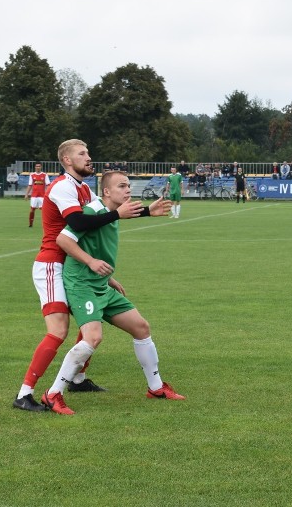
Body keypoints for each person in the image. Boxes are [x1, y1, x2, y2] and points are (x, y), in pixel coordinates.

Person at [13, 140, 165, 412]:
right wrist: (96, 257)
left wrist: (145, 212)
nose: (89, 157)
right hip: (53, 264)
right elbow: (79, 223)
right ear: (67, 160)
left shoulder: (83, 188)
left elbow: (104, 214)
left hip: (76, 266)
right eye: (82, 154)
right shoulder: (62, 186)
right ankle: (25, 394)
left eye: (88, 152)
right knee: (59, 331)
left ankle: (77, 379)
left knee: (89, 327)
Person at [42, 171, 183, 414]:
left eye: (128, 185)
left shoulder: (108, 213)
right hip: (82, 285)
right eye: (121, 186)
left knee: (141, 327)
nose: (128, 189)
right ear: (106, 192)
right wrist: (91, 262)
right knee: (93, 338)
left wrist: (149, 211)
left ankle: (156, 387)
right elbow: (63, 240)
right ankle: (53, 394)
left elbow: (107, 227)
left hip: (101, 284)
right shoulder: (91, 211)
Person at [24, 163, 50, 228]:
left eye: (39, 166)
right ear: (35, 167)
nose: (38, 167)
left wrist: (48, 194)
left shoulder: (44, 175)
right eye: (36, 166)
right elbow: (30, 185)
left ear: (41, 167)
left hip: (42, 196)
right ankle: (30, 224)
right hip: (34, 196)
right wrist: (26, 194)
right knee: (32, 210)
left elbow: (48, 185)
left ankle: (46, 224)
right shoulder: (32, 175)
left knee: (44, 210)